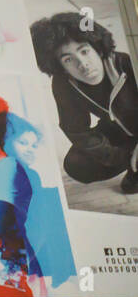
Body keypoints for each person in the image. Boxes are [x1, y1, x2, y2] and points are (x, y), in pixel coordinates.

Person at [30, 13, 138, 194]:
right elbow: (77, 130)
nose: (83, 64)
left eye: (84, 51)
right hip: (118, 130)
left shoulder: (128, 63)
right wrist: (124, 157)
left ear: (97, 48)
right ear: (60, 67)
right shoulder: (63, 83)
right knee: (77, 164)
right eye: (68, 59)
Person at [0, 110, 76, 294]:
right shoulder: (10, 167)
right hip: (14, 255)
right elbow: (2, 214)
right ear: (4, 142)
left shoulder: (5, 169)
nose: (30, 149)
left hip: (15, 254)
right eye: (23, 143)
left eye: (33, 144)